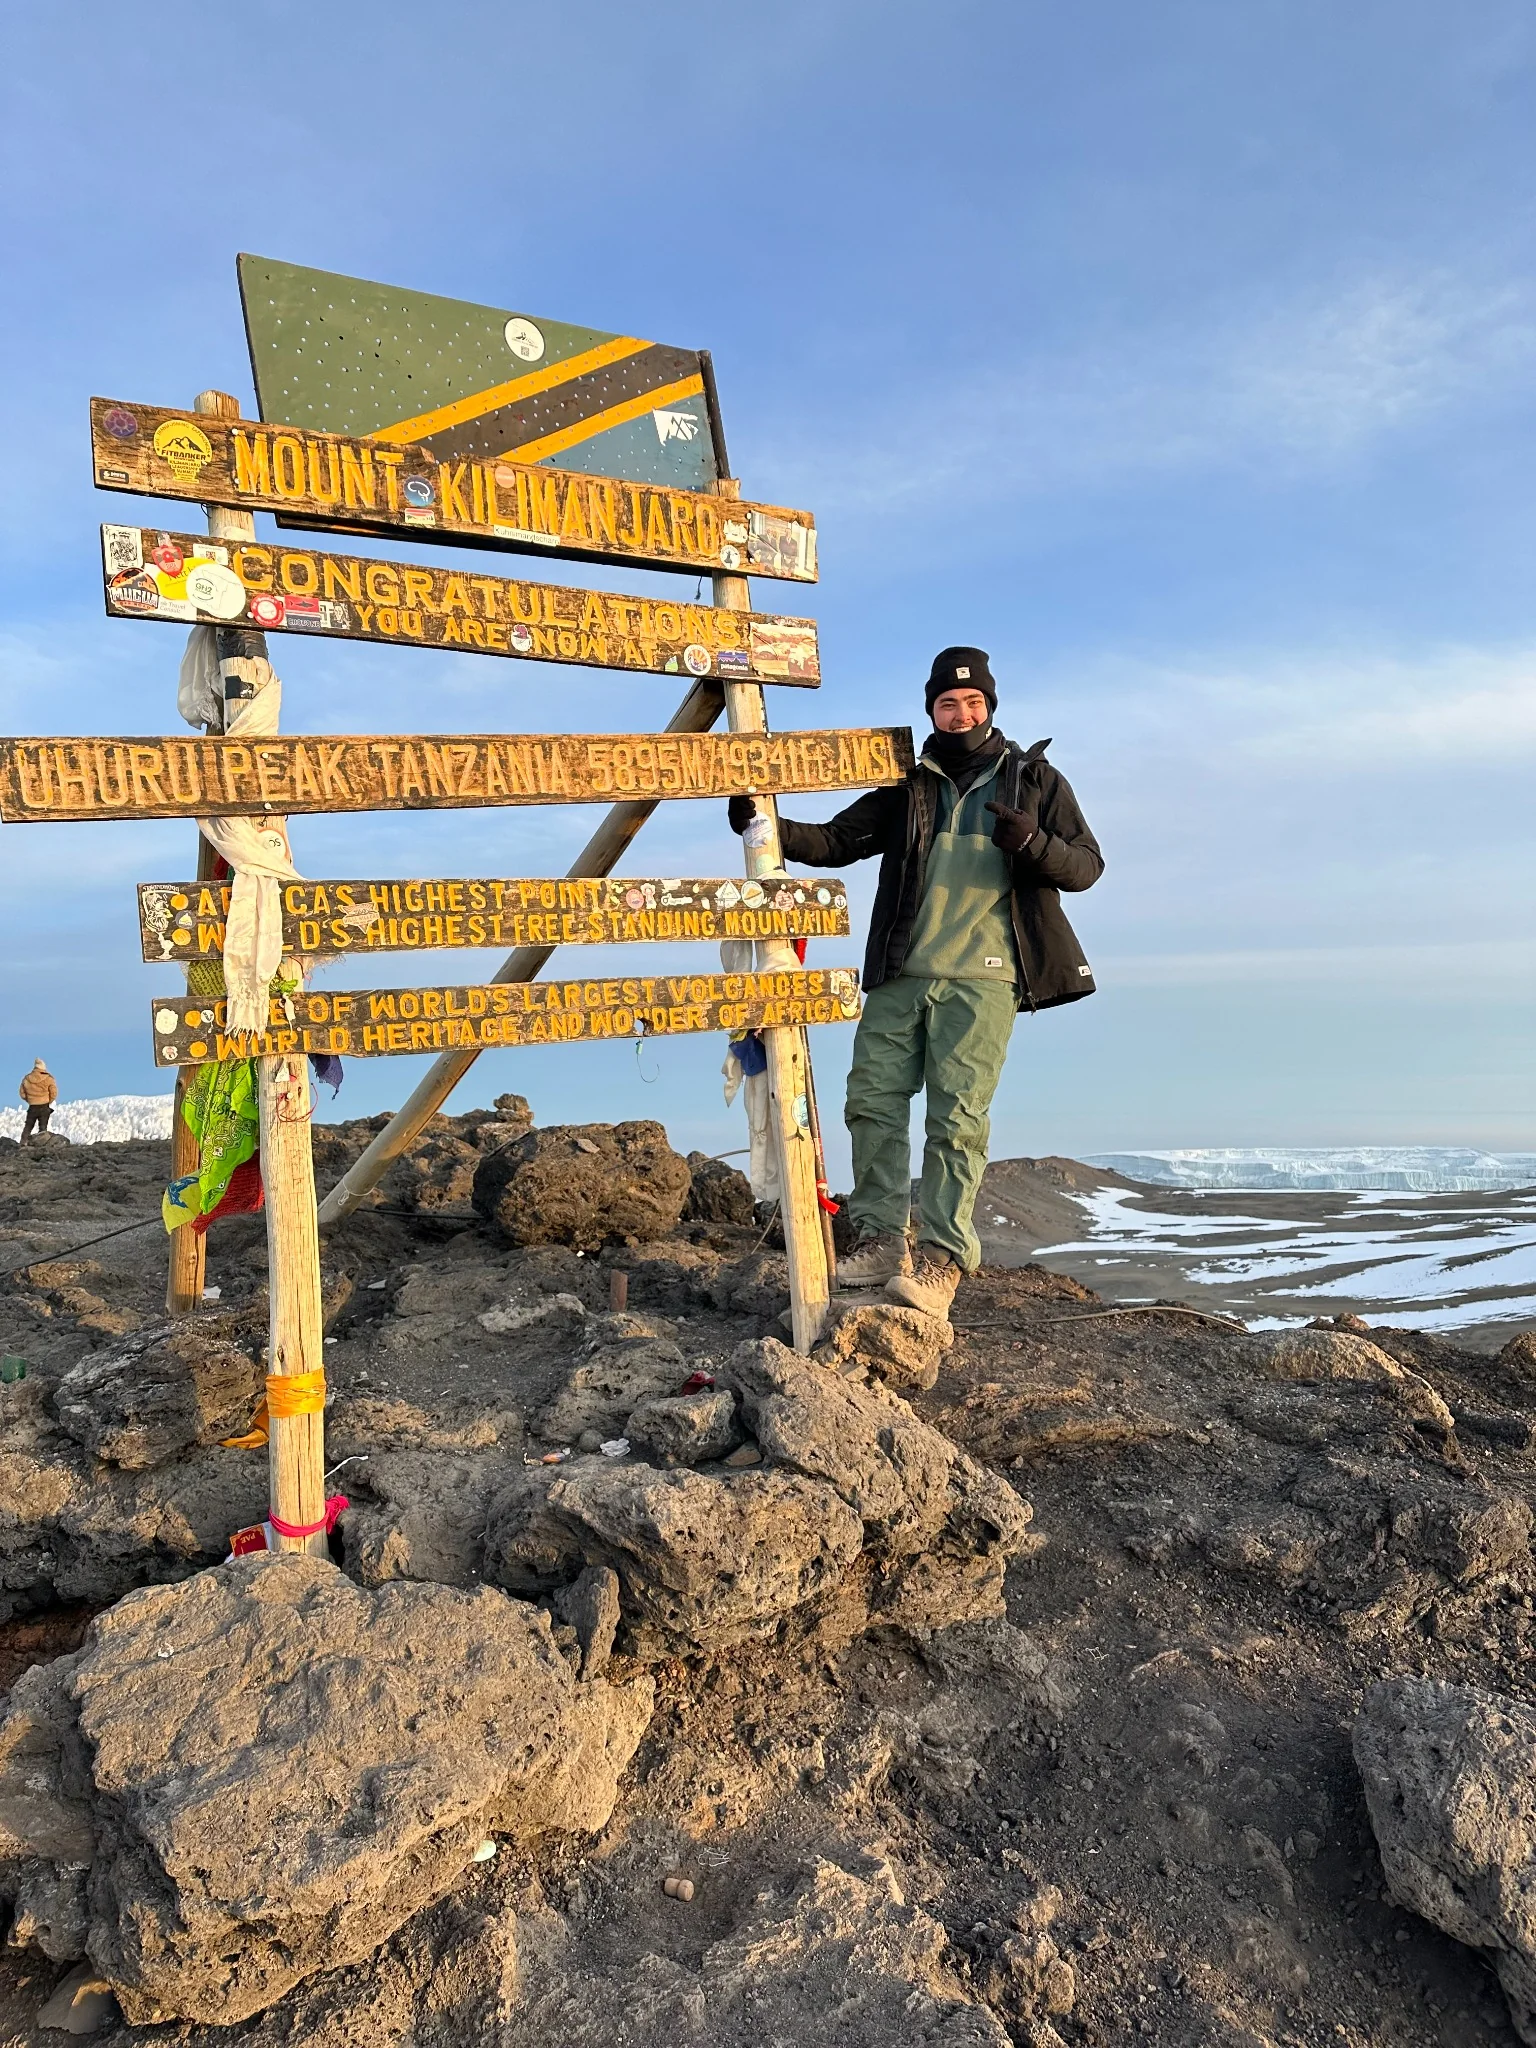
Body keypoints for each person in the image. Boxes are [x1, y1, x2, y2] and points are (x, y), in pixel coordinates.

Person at [729, 646, 1102, 1319]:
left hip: (983, 978)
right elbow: (839, 840)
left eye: (973, 702)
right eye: (948, 703)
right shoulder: (909, 782)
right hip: (902, 970)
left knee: (955, 1120)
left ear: (990, 706)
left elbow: (1085, 867)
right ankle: (877, 1238)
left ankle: (941, 1259)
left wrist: (1033, 843)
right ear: (931, 708)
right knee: (871, 1101)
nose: (961, 713)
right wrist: (766, 826)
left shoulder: (1033, 780)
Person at [18, 1059, 58, 1142]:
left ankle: (23, 1143)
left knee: (28, 1127)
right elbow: (54, 1093)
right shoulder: (48, 1078)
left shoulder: (27, 1078)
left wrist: (30, 1100)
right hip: (44, 1106)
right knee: (43, 1128)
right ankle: (41, 1145)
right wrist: (48, 1101)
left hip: (32, 1106)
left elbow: (22, 1093)